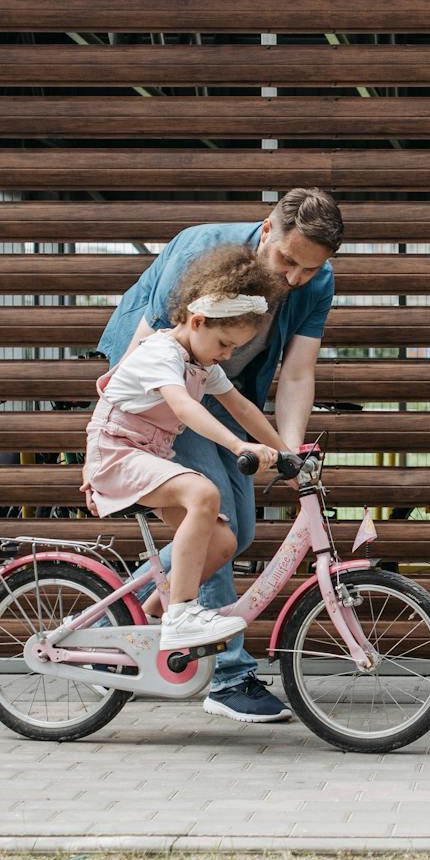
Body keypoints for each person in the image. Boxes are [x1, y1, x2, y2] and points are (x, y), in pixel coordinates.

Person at [96, 187, 342, 723]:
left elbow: (297, 372)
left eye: (310, 270)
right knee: (208, 512)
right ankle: (226, 675)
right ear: (266, 229)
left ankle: (117, 622)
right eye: (288, 262)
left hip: (220, 385)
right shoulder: (200, 253)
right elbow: (150, 348)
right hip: (164, 394)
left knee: (239, 535)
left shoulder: (315, 280)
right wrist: (131, 412)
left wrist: (290, 451)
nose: (295, 278)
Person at [83, 246, 293, 652]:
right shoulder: (160, 355)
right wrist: (236, 445)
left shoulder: (201, 364)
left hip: (146, 456)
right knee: (203, 492)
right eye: (224, 343)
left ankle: (144, 624)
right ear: (196, 321)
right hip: (118, 455)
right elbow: (181, 406)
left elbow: (240, 405)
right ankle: (181, 614)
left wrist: (285, 453)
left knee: (223, 543)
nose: (228, 355)